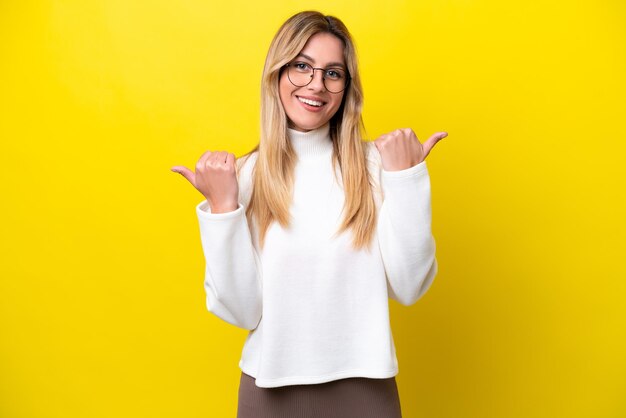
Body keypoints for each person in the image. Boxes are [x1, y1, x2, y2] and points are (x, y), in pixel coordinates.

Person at [171, 10, 447, 418]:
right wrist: (222, 209)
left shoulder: (376, 166)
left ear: (346, 87)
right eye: (302, 66)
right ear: (277, 74)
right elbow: (241, 310)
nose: (316, 85)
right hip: (268, 392)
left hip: (367, 392)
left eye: (333, 73)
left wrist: (406, 180)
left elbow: (409, 286)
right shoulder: (242, 176)